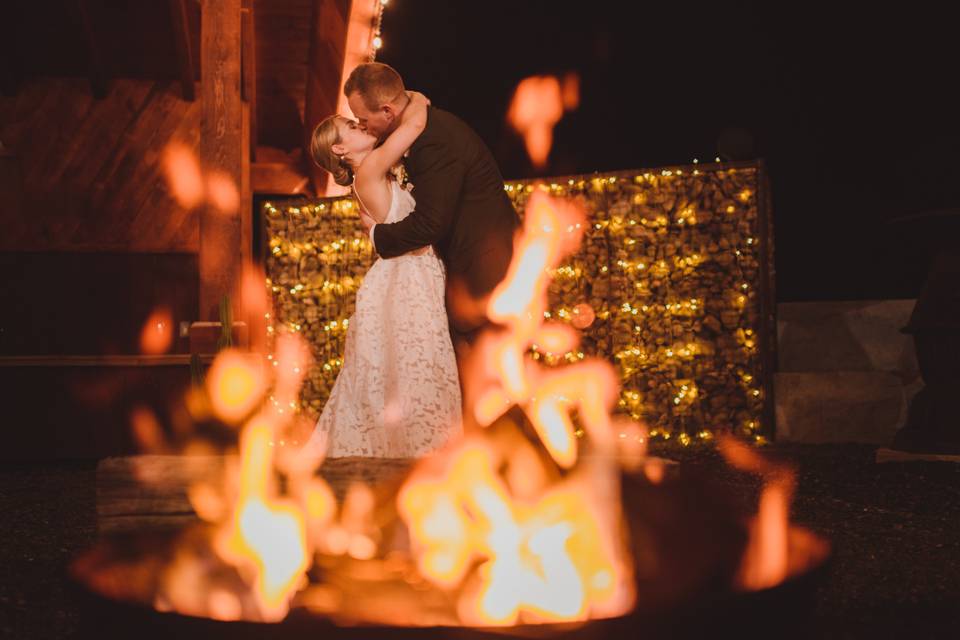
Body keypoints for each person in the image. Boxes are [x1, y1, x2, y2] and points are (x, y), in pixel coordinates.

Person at [305, 90, 461, 458]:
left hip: (405, 275)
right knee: (419, 371)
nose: (361, 125)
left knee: (402, 373)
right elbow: (416, 126)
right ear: (341, 150)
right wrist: (416, 99)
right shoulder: (370, 170)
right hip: (408, 278)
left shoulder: (374, 174)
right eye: (351, 127)